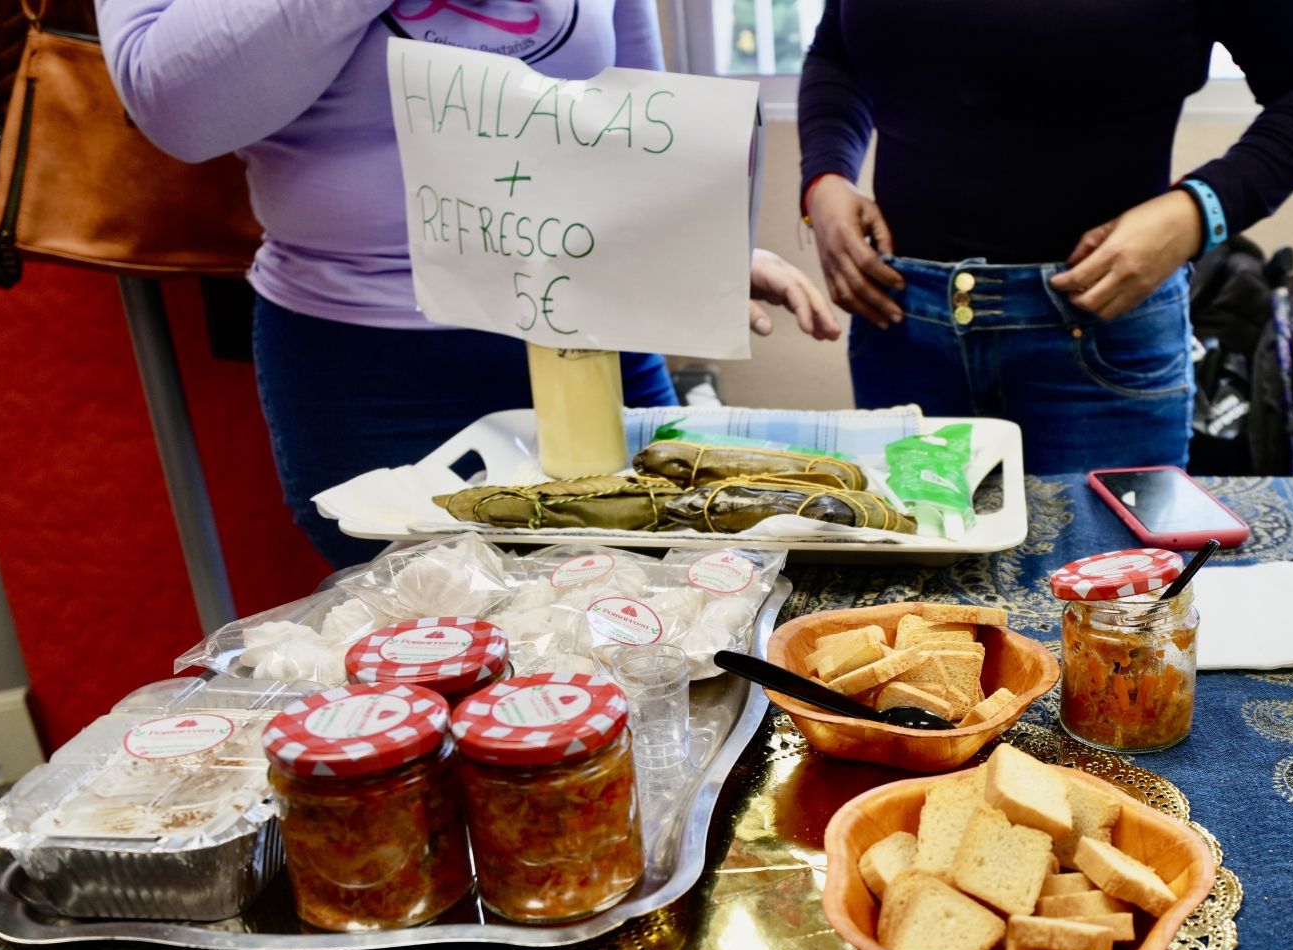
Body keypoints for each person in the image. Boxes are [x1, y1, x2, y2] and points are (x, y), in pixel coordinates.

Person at [97, 0, 839, 567]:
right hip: (368, 370)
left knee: (654, 636)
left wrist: (694, 244)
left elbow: (630, 101)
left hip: (589, 332)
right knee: (432, 663)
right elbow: (177, 110)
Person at [798, 0, 1293, 475]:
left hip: (1100, 333)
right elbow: (838, 55)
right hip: (902, 327)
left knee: (1112, 606)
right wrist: (824, 179)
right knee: (915, 606)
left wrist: (1198, 211)